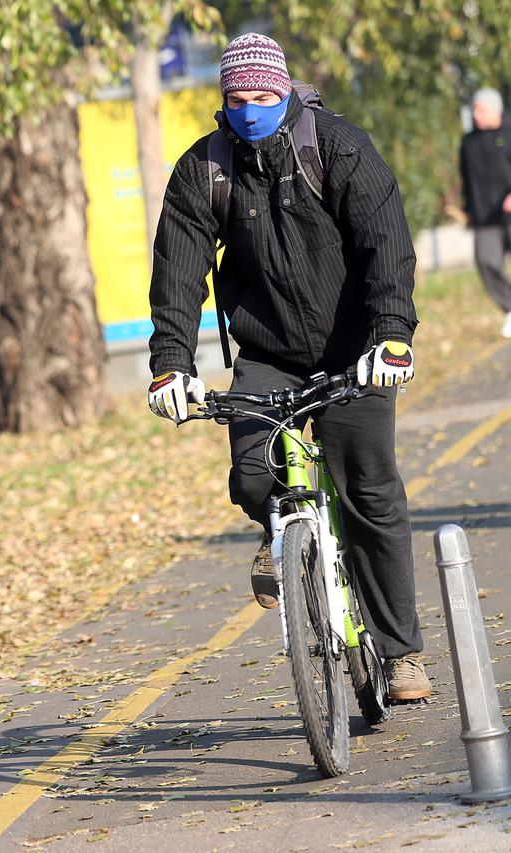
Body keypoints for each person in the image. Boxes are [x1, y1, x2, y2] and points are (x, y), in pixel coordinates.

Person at [145, 33, 429, 701]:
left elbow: (388, 246)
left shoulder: (339, 148)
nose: (249, 109)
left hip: (354, 351)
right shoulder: (204, 171)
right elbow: (179, 275)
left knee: (370, 491)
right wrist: (169, 365)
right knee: (251, 475)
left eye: (263, 97)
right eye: (236, 100)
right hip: (268, 355)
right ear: (223, 101)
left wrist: (392, 336)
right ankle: (283, 534)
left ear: (286, 92)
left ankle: (400, 654)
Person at [459, 88, 511, 338]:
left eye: (481, 110)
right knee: (486, 261)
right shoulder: (468, 142)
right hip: (484, 216)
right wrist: (468, 209)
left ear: (495, 110)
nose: (475, 114)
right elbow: (466, 179)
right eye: (473, 109)